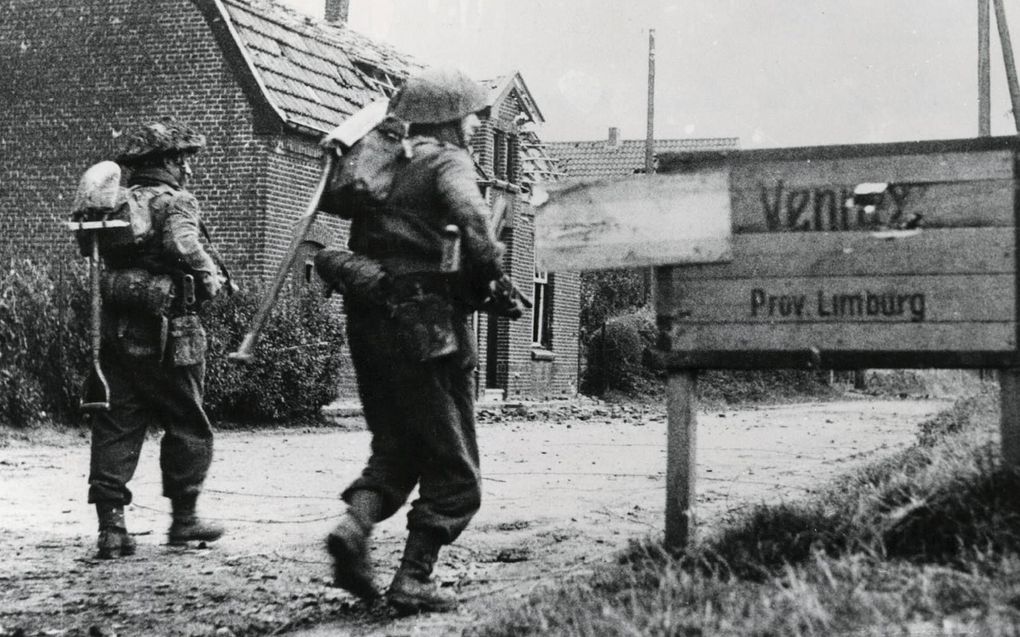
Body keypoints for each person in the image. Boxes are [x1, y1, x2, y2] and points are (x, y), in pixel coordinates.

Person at [314, 67, 507, 614]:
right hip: (425, 325)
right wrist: (490, 266)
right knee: (454, 468)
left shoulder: (377, 168)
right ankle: (414, 577)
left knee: (395, 448)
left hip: (369, 318)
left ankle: (354, 527)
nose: (473, 125)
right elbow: (471, 215)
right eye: (469, 117)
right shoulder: (447, 161)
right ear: (452, 120)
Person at [84, 118, 227, 558]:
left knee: (116, 424)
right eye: (184, 159)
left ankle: (112, 530)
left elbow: (91, 254)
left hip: (117, 332)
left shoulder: (114, 204)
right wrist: (210, 277)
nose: (189, 168)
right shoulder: (178, 202)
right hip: (172, 336)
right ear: (168, 161)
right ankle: (184, 521)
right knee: (187, 421)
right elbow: (184, 246)